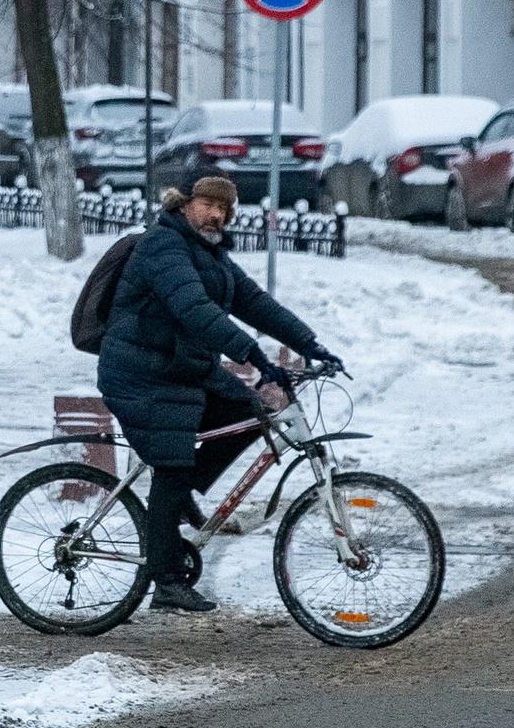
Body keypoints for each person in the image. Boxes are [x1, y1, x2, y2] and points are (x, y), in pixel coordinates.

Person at [96, 169, 343, 614]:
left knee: (245, 410)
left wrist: (309, 343)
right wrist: (255, 356)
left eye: (224, 208)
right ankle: (167, 581)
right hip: (142, 372)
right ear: (183, 203)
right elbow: (195, 310)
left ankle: (180, 495)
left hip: (181, 369)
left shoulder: (208, 254)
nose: (217, 215)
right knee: (171, 466)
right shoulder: (163, 246)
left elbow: (253, 302)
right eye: (208, 204)